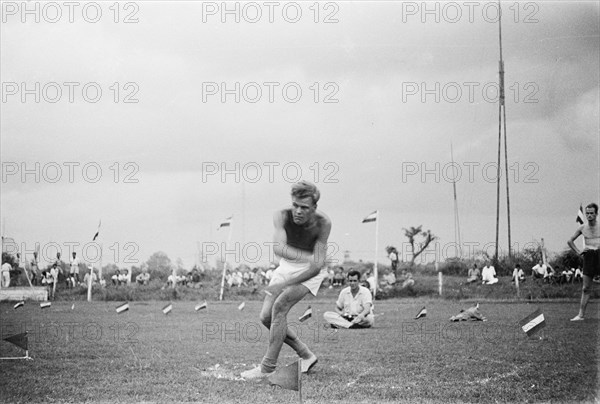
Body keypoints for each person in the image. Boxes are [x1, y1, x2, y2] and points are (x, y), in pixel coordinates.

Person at [241, 181, 331, 379]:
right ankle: (306, 355)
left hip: (311, 271)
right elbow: (279, 248)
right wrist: (310, 258)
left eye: (304, 207)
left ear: (314, 208)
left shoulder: (324, 223)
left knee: (280, 306)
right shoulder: (281, 216)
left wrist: (312, 262)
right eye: (295, 205)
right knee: (266, 317)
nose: (298, 211)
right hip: (287, 265)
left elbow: (316, 267)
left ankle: (267, 368)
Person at [568, 202, 599, 321]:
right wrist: (578, 251)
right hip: (589, 257)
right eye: (587, 213)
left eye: (592, 213)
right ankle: (581, 315)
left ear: (596, 214)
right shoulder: (582, 228)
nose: (589, 215)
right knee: (586, 288)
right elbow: (570, 241)